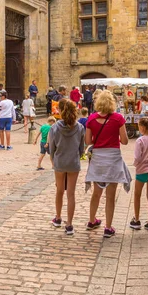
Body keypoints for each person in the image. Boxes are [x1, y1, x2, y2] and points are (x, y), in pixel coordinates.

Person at [85, 90, 131, 238]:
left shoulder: (91, 119)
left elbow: (87, 141)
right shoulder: (118, 118)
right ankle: (108, 227)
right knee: (110, 196)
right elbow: (124, 141)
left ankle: (92, 220)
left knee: (96, 193)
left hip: (98, 158)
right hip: (113, 158)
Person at [49, 99, 86, 235]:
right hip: (73, 163)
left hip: (60, 161)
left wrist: (53, 159)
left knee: (59, 190)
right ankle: (69, 224)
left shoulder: (55, 127)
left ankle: (58, 217)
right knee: (71, 193)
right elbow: (82, 149)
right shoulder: (80, 127)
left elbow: (52, 147)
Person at [130, 117, 148, 232]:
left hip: (141, 170)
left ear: (143, 128)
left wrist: (135, 165)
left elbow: (137, 157)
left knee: (137, 195)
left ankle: (136, 219)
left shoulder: (140, 141)